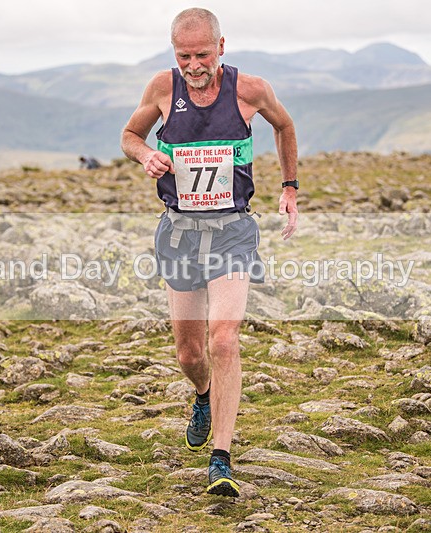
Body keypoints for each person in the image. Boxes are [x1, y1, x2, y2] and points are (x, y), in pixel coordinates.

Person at [121, 8, 299, 497]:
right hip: (179, 231)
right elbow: (129, 136)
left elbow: (285, 126)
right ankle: (202, 394)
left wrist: (290, 187)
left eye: (202, 54)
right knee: (189, 352)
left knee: (223, 339)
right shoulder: (162, 88)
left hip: (232, 231)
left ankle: (221, 459)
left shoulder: (250, 90)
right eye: (184, 56)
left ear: (222, 47)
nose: (193, 65)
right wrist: (146, 155)